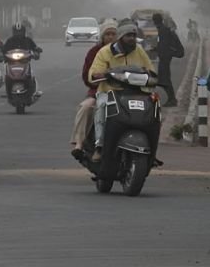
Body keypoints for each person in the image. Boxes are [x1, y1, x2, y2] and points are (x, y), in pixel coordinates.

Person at [88, 20, 155, 162]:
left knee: (154, 108)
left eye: (133, 35)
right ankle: (99, 146)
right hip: (110, 92)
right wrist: (101, 75)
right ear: (120, 37)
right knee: (101, 107)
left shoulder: (139, 51)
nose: (131, 39)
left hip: (136, 93)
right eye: (128, 35)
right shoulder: (105, 52)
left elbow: (150, 70)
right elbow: (93, 73)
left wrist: (152, 78)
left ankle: (152, 150)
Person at [70, 18, 118, 159]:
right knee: (86, 108)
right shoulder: (95, 52)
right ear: (102, 36)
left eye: (113, 34)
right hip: (99, 91)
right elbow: (87, 75)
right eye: (107, 34)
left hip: (122, 93)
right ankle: (79, 143)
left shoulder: (125, 51)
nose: (110, 37)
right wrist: (99, 80)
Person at [153, 12, 183, 107]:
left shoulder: (162, 30)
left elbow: (164, 45)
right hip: (165, 57)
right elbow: (162, 45)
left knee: (165, 78)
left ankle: (172, 99)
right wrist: (155, 49)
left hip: (165, 58)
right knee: (162, 79)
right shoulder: (163, 29)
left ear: (154, 21)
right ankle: (170, 99)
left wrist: (158, 50)